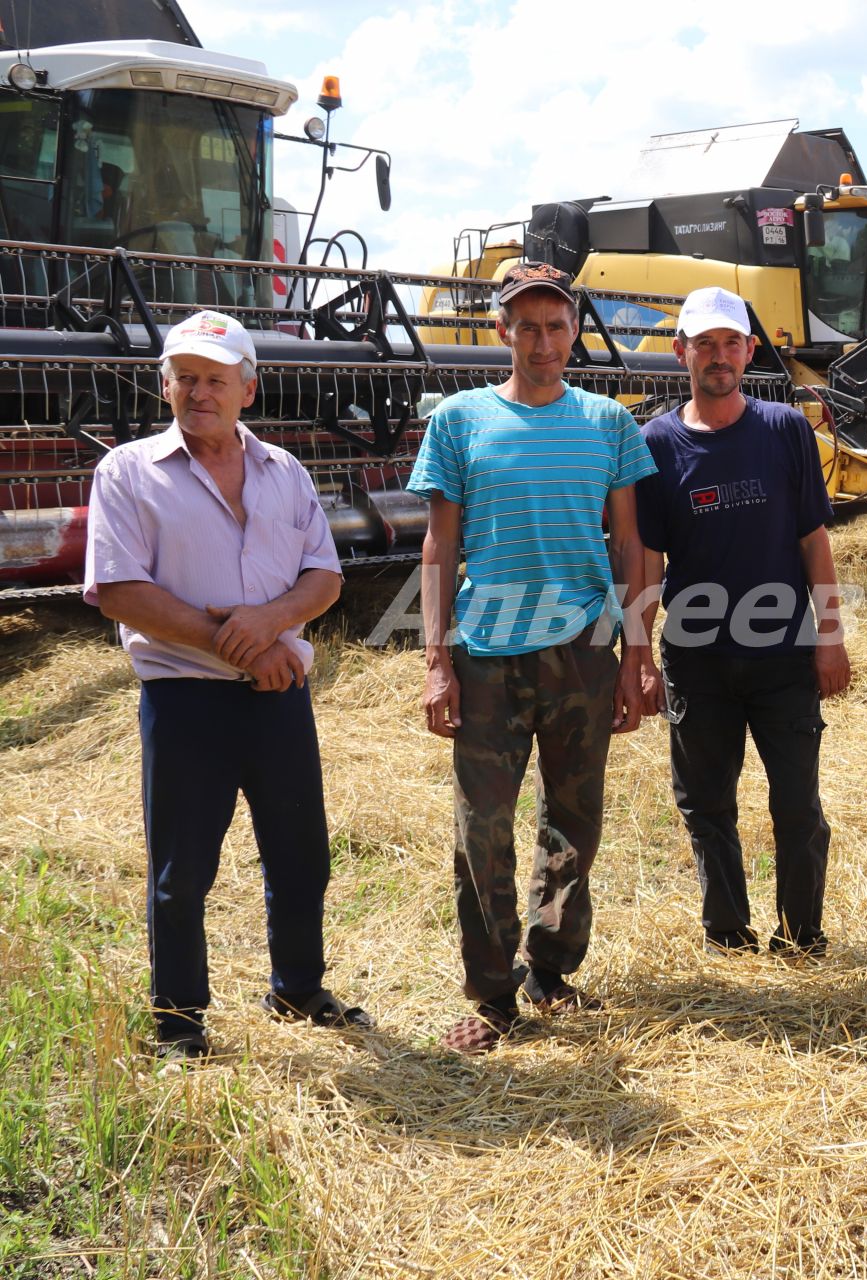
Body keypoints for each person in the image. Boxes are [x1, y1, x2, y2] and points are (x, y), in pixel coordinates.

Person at [83, 309, 367, 1064]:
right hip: (186, 702)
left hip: (279, 698)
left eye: (215, 379)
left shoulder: (285, 472)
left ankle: (298, 987)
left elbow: (325, 575)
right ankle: (179, 1022)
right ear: (165, 385)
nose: (198, 392)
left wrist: (273, 620)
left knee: (302, 854)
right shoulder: (129, 472)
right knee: (182, 872)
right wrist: (241, 648)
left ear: (249, 388)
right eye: (185, 378)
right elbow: (118, 591)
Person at [409, 261, 658, 1054]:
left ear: (574, 331)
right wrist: (437, 661)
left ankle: (550, 969)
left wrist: (635, 653)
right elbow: (439, 544)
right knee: (481, 831)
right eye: (526, 325)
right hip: (486, 657)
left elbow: (630, 544)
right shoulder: (459, 421)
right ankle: (491, 995)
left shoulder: (608, 424)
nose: (542, 341)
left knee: (573, 825)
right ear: (500, 332)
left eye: (556, 326)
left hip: (583, 652)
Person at [636, 287, 849, 956]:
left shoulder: (785, 429)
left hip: (784, 652)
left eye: (732, 343)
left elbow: (815, 541)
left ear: (750, 352)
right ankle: (726, 931)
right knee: (705, 802)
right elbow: (645, 558)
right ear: (681, 353)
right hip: (697, 659)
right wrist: (635, 654)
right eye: (705, 344)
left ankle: (800, 935)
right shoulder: (656, 445)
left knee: (797, 806)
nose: (719, 356)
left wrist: (832, 637)